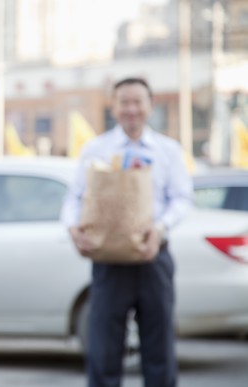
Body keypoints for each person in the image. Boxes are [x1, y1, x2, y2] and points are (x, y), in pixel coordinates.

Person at [61, 77, 193, 387]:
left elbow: (183, 200)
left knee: (159, 351)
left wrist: (160, 229)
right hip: (109, 262)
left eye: (138, 102)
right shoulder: (96, 149)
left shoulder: (169, 150)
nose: (131, 109)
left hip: (154, 259)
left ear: (150, 106)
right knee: (103, 350)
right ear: (114, 106)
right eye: (124, 102)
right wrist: (73, 229)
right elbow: (75, 197)